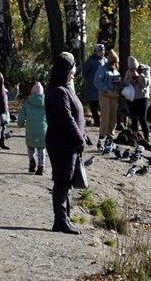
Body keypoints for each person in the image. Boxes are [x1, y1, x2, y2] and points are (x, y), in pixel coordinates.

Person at [45, 53, 88, 235]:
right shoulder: (57, 91)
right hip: (62, 142)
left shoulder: (64, 88)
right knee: (62, 181)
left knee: (67, 181)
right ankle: (61, 221)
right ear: (64, 71)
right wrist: (79, 139)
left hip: (68, 143)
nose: (72, 75)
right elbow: (66, 119)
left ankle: (66, 219)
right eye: (71, 72)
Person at [17, 81, 47, 175]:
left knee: (30, 146)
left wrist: (20, 124)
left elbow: (21, 116)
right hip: (43, 130)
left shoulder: (27, 103)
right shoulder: (46, 103)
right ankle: (41, 166)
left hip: (30, 129)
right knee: (41, 148)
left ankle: (31, 161)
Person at [94, 49, 121, 145]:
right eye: (113, 62)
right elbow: (97, 82)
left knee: (113, 116)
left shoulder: (116, 72)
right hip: (105, 95)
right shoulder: (102, 70)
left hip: (114, 95)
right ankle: (102, 134)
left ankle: (111, 135)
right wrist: (105, 89)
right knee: (105, 115)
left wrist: (120, 85)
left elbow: (119, 81)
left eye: (116, 62)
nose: (114, 64)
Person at [123, 56, 151, 142]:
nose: (132, 70)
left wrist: (138, 76)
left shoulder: (145, 69)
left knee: (142, 119)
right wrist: (131, 81)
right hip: (132, 98)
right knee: (133, 119)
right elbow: (125, 82)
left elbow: (146, 84)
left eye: (134, 68)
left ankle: (146, 139)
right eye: (130, 68)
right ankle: (135, 137)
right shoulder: (128, 71)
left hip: (142, 98)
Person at [83, 44, 106, 127]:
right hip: (93, 87)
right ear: (96, 52)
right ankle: (97, 121)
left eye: (103, 51)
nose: (102, 52)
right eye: (100, 51)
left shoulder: (105, 60)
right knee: (94, 105)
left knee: (103, 105)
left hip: (103, 87)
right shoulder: (91, 60)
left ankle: (103, 120)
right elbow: (85, 73)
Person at [0, 83, 19, 150]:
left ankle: (2, 143)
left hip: (4, 113)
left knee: (2, 129)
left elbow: (11, 97)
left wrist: (16, 90)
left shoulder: (5, 91)